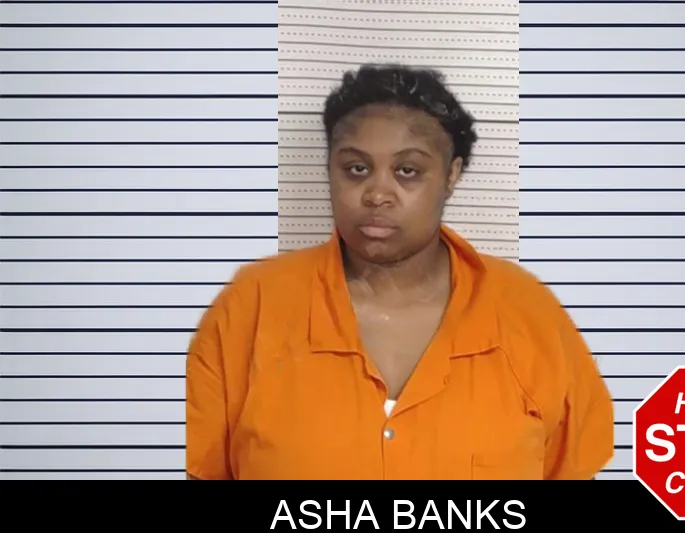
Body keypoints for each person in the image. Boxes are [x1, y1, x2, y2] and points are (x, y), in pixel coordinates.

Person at [185, 64, 614, 480]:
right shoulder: (252, 307)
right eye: (356, 169)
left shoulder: (529, 315)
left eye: (407, 171)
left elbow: (572, 470)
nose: (377, 194)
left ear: (451, 175)